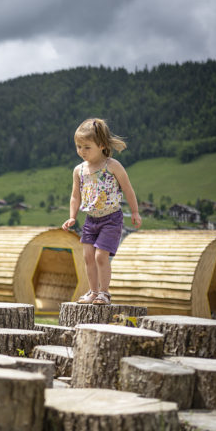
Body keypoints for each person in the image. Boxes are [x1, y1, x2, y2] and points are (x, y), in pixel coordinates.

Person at [62, 118, 141, 305]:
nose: (81, 151)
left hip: (111, 219)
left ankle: (104, 293)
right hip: (91, 220)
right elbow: (75, 196)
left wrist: (135, 212)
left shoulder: (112, 166)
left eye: (87, 147)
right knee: (88, 256)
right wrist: (72, 216)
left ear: (102, 145)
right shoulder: (79, 170)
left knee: (100, 256)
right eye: (78, 146)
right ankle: (93, 292)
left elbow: (128, 189)